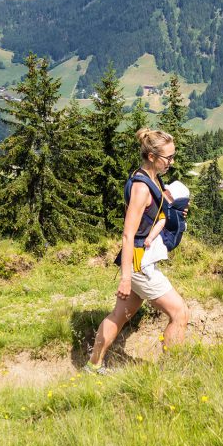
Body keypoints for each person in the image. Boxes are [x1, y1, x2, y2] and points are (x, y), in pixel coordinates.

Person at [86, 128, 189, 373]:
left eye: (173, 157)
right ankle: (173, 371)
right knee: (180, 313)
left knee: (120, 315)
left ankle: (93, 366)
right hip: (139, 263)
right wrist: (125, 278)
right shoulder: (141, 188)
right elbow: (128, 234)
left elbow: (157, 208)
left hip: (138, 260)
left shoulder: (152, 178)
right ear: (152, 156)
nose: (171, 163)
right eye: (168, 158)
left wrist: (173, 213)